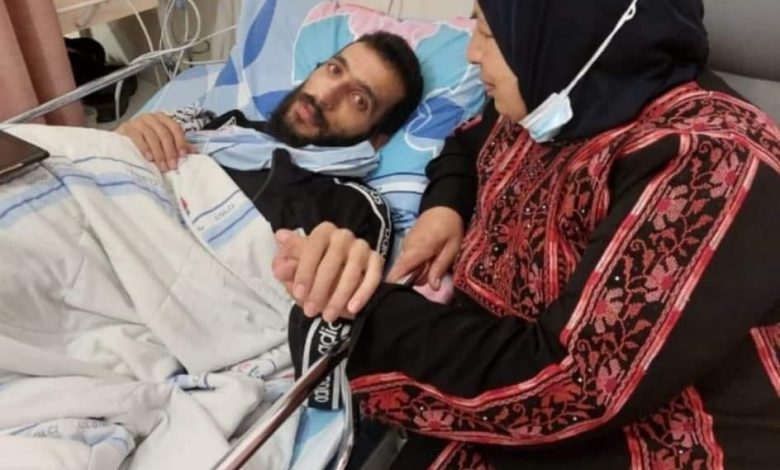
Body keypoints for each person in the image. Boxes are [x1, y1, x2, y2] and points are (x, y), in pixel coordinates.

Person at [279, 0, 780, 468]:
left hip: (634, 435)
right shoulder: (561, 87)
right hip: (490, 368)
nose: (472, 53)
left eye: (489, 34)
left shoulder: (711, 163)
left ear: (565, 32)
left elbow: (577, 385)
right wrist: (446, 207)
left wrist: (364, 311)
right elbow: (468, 142)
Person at [115, 32, 423, 321]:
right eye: (334, 70)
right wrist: (130, 137)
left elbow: (345, 304)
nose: (326, 96)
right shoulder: (219, 125)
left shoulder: (354, 207)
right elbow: (110, 157)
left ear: (376, 140)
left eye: (359, 101)